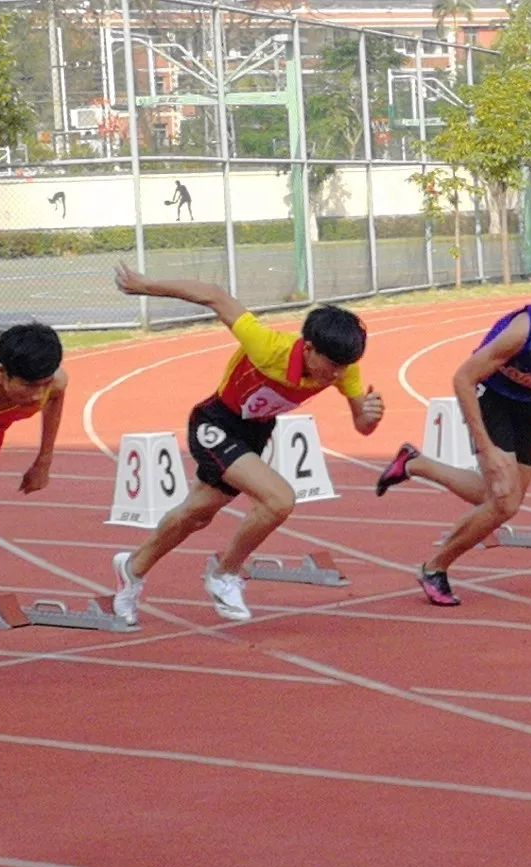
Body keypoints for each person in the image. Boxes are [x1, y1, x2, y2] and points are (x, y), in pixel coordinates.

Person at [110, 264, 383, 624]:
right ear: (310, 348)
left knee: (196, 514)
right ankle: (224, 573)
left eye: (345, 367)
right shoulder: (268, 346)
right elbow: (214, 295)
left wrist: (371, 416)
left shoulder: (345, 369)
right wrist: (148, 285)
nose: (337, 375)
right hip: (215, 423)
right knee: (279, 499)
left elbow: (362, 425)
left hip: (254, 433)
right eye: (331, 365)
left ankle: (132, 568)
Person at [374, 289, 531, 606]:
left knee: (501, 496)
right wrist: (487, 449)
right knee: (505, 502)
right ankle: (435, 567)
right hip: (489, 394)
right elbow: (463, 378)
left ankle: (414, 463)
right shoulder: (525, 331)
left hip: (529, 403)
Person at [0, 323, 68, 493]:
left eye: (46, 384)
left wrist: (44, 461)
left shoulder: (56, 384)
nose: (38, 395)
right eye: (29, 385)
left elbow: (54, 399)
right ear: (1, 372)